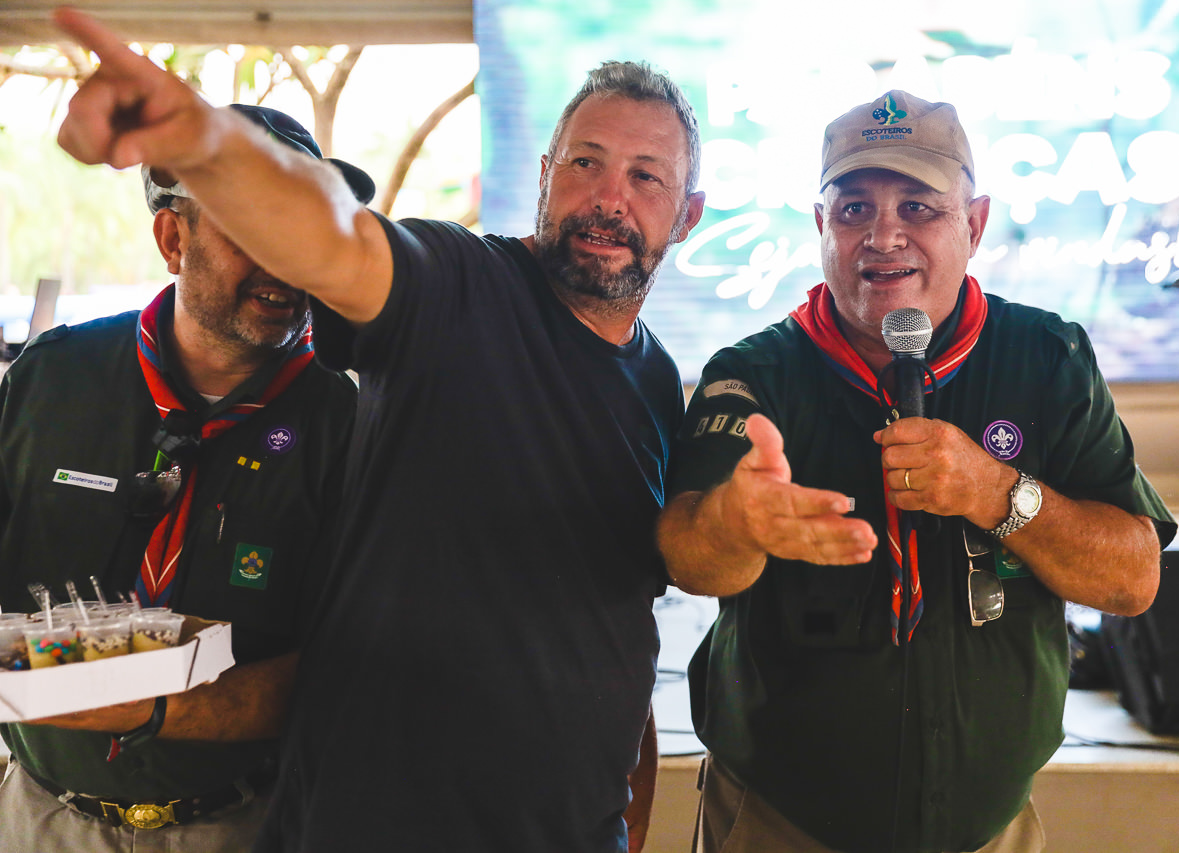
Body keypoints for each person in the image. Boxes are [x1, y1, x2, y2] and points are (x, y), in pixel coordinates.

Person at [50, 8, 706, 852]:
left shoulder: (657, 379)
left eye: (647, 176)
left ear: (687, 214)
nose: (610, 198)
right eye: (587, 162)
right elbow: (336, 238)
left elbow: (609, 618)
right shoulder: (460, 288)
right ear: (545, 175)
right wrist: (204, 144)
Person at [656, 90, 1178, 853]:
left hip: (989, 828)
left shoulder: (1047, 358)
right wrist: (736, 523)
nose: (883, 236)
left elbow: (1133, 580)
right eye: (854, 209)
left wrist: (998, 492)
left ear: (975, 223)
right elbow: (688, 558)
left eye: (918, 208)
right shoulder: (755, 372)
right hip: (781, 820)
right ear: (820, 226)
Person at [0, 103, 366, 852]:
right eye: (251, 225)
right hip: (41, 818)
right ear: (173, 237)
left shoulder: (349, 420)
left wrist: (98, 679)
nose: (283, 259)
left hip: (247, 822)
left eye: (301, 227)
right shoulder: (51, 379)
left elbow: (349, 670)